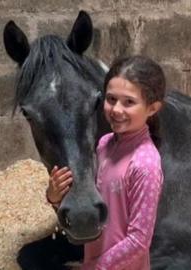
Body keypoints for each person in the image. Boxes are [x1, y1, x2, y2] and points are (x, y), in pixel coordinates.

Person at [46, 55, 165, 270]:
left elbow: (139, 241)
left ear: (152, 108)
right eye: (111, 99)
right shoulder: (104, 145)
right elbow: (89, 209)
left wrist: (95, 267)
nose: (117, 109)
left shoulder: (146, 164)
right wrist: (55, 199)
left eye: (129, 102)